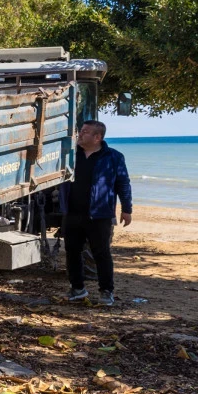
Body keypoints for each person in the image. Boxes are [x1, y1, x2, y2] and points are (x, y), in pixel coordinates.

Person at [59, 120, 133, 306]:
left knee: (101, 254)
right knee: (72, 252)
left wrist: (126, 209)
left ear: (97, 137)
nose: (80, 134)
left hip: (99, 215)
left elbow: (123, 183)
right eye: (80, 131)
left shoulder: (113, 157)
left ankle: (106, 292)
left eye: (85, 132)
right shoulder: (70, 155)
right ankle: (77, 289)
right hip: (72, 212)